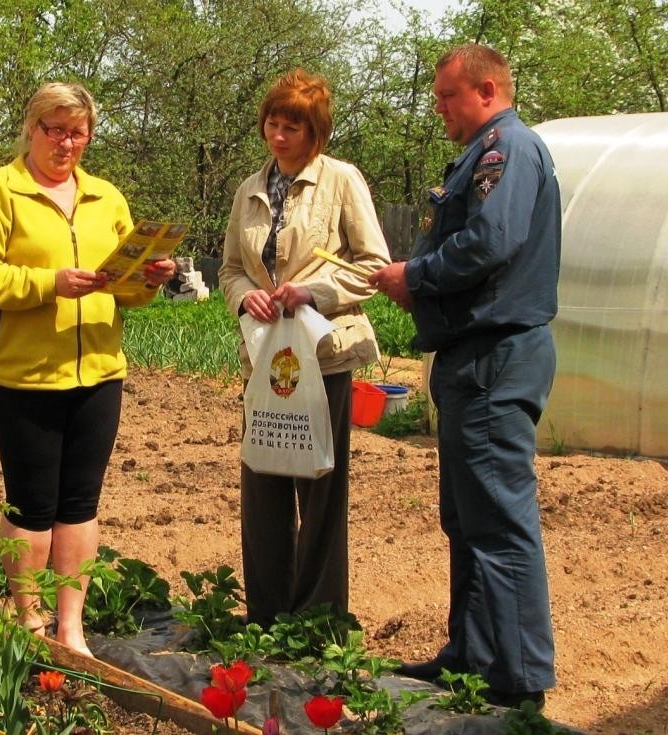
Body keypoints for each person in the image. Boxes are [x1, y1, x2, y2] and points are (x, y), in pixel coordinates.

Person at [0, 82, 176, 656]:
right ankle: (29, 621)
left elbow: (124, 293)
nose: (65, 142)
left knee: (80, 502)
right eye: (54, 129)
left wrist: (146, 281)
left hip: (99, 372)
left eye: (76, 132)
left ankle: (71, 628)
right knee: (31, 504)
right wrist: (46, 285)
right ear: (31, 128)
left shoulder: (106, 198)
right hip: (22, 376)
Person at [369, 45, 560, 709]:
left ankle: (517, 681)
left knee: (499, 519)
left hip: (494, 356)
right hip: (472, 357)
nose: (440, 109)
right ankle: (473, 654)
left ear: (485, 90)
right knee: (468, 515)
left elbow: (492, 240)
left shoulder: (509, 150)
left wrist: (412, 277)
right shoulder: (485, 153)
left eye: (448, 97)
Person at [219, 69, 391, 628]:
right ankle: (267, 616)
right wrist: (248, 299)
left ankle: (318, 619)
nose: (279, 135)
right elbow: (228, 271)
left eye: (292, 126)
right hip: (266, 357)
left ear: (316, 133)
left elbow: (373, 267)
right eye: (273, 122)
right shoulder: (249, 189)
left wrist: (311, 292)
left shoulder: (341, 182)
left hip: (324, 357)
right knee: (263, 477)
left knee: (319, 486)